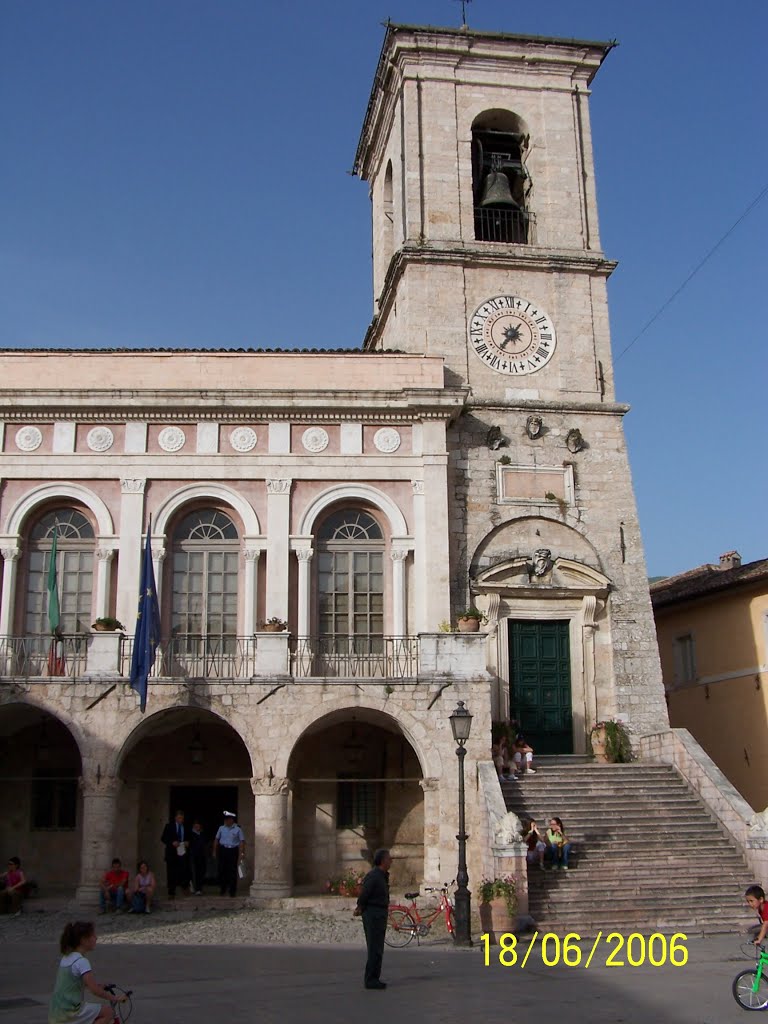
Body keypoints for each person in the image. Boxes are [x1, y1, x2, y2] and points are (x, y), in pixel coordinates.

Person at [48, 920, 127, 1024]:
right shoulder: (81, 961)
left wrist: (99, 985)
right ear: (83, 940)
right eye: (93, 935)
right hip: (70, 1011)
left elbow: (74, 982)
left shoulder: (67, 957)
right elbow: (95, 990)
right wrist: (115, 998)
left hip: (57, 1010)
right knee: (109, 1012)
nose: (96, 938)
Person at [354, 848, 392, 990]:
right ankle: (370, 979)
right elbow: (365, 894)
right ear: (382, 861)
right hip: (373, 914)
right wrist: (360, 907)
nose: (391, 861)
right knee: (374, 948)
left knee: (378, 948)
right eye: (389, 858)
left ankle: (375, 977)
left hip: (380, 913)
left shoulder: (382, 875)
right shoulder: (374, 876)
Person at [213, 811, 245, 897]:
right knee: (222, 870)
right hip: (223, 850)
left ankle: (232, 891)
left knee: (232, 871)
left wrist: (242, 853)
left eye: (228, 819)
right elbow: (216, 840)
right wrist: (214, 851)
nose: (227, 821)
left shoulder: (238, 829)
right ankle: (222, 889)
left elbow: (241, 841)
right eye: (226, 819)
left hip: (233, 850)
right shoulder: (221, 828)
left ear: (232, 820)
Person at [160, 809, 190, 899]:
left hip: (182, 851)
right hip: (172, 852)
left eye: (182, 818)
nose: (181, 820)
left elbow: (189, 838)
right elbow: (163, 838)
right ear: (175, 818)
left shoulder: (186, 827)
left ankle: (184, 887)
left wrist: (187, 842)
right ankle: (171, 892)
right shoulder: (169, 826)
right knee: (171, 872)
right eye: (179, 818)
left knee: (184, 870)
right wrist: (172, 842)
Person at [189, 820, 207, 895]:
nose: (197, 827)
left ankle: (199, 888)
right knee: (195, 872)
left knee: (201, 872)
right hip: (193, 856)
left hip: (201, 856)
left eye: (198, 826)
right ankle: (196, 889)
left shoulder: (202, 834)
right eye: (195, 826)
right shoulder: (190, 834)